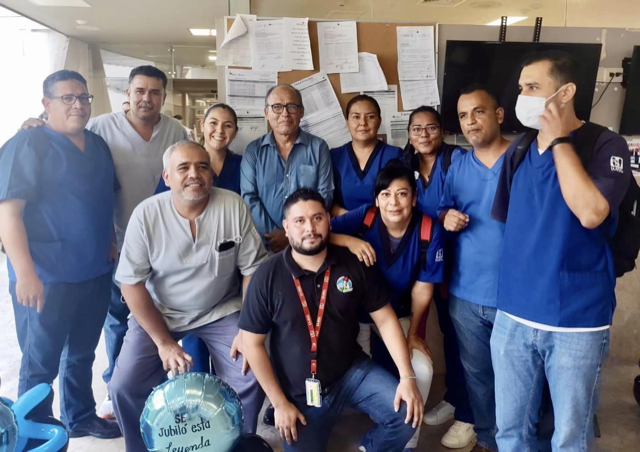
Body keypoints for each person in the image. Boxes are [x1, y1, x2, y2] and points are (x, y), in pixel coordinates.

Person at [20, 65, 190, 420]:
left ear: (163, 96)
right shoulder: (100, 128)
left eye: (155, 92)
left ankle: (148, 390)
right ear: (127, 93)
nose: (146, 98)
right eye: (139, 90)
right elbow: (61, 135)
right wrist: (36, 123)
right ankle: (115, 391)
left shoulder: (173, 131)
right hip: (111, 247)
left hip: (157, 244)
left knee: (155, 317)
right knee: (117, 320)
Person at [490, 50, 631, 452]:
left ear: (566, 92)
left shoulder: (606, 145)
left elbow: (591, 212)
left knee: (569, 437)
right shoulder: (518, 151)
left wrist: (559, 141)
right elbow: (511, 224)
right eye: (521, 88)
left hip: (576, 321)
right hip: (513, 317)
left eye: (533, 87)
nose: (523, 96)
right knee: (510, 432)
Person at [110, 141, 268, 452]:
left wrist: (246, 329)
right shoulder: (146, 215)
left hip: (220, 309)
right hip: (161, 312)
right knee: (124, 384)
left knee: (250, 373)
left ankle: (233, 444)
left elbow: (252, 270)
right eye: (183, 167)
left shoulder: (232, 205)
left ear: (211, 174)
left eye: (202, 166)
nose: (194, 174)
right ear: (167, 177)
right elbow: (131, 284)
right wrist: (163, 342)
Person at [239, 188, 422, 452]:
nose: (310, 228)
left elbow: (385, 320)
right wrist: (279, 404)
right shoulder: (267, 275)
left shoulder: (353, 263)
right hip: (299, 393)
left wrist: (407, 376)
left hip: (351, 373)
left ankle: (371, 448)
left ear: (328, 220)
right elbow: (252, 343)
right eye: (299, 221)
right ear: (286, 228)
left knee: (407, 413)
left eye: (317, 218)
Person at [0, 70, 120, 439]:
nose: (78, 105)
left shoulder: (97, 145)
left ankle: (79, 416)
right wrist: (25, 273)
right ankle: (31, 431)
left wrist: (110, 242)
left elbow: (104, 197)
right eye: (67, 98)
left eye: (83, 98)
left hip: (93, 270)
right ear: (46, 103)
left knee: (82, 353)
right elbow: (8, 213)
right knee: (41, 361)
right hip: (45, 275)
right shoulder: (27, 143)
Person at [330, 161, 443, 451]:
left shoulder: (428, 229)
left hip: (396, 313)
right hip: (355, 314)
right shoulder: (366, 217)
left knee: (422, 370)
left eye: (402, 194)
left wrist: (414, 333)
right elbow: (321, 233)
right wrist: (349, 241)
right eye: (386, 194)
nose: (393, 202)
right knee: (352, 369)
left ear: (414, 198)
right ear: (377, 199)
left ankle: (407, 442)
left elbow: (422, 289)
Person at [436, 86, 511, 452]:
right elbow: (442, 208)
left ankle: (516, 441)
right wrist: (445, 216)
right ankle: (487, 440)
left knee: (517, 379)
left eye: (478, 112)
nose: (470, 122)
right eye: (463, 116)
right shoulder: (458, 165)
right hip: (466, 294)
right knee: (478, 376)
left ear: (498, 115)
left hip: (515, 295)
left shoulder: (523, 160)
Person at [405, 106, 475, 449]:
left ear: (442, 130)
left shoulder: (457, 160)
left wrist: (448, 215)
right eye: (417, 129)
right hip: (424, 264)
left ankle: (471, 415)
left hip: (457, 264)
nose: (424, 134)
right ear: (408, 134)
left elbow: (469, 206)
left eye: (431, 127)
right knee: (447, 335)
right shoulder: (405, 165)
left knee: (465, 341)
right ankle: (455, 398)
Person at [156, 103, 243, 373]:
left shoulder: (241, 165)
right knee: (195, 355)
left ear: (235, 131)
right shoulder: (181, 160)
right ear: (202, 125)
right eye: (213, 123)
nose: (219, 130)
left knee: (231, 353)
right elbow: (163, 209)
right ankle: (198, 391)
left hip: (228, 264)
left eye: (228, 125)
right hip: (189, 270)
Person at [241, 84, 334, 253]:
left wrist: (294, 233)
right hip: (265, 246)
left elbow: (325, 194)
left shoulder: (318, 147)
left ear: (301, 112)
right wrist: (275, 235)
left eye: (291, 106)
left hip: (308, 241)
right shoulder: (253, 151)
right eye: (277, 107)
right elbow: (249, 198)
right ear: (266, 113)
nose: (285, 113)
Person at [331, 94, 404, 216]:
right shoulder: (334, 156)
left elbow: (401, 198)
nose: (363, 123)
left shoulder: (394, 155)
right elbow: (328, 201)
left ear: (379, 121)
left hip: (385, 224)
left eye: (370, 117)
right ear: (347, 122)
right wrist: (353, 219)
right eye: (356, 117)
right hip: (343, 223)